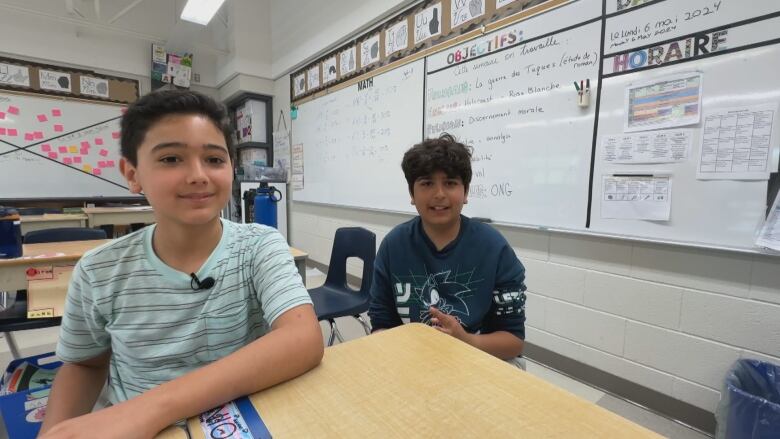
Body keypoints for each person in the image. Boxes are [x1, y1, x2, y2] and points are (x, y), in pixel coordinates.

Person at [40, 90, 323, 438]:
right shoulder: (99, 270)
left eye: (215, 160)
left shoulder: (260, 246)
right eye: (171, 159)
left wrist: (152, 407)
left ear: (232, 169)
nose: (198, 175)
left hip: (241, 422)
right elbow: (85, 363)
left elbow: (303, 337)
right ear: (132, 173)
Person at [368, 134, 527, 362]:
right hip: (411, 361)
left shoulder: (494, 248)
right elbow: (381, 324)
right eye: (427, 183)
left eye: (450, 183)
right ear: (412, 194)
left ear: (465, 192)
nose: (439, 194)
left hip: (477, 359)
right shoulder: (393, 246)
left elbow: (513, 341)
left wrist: (466, 341)